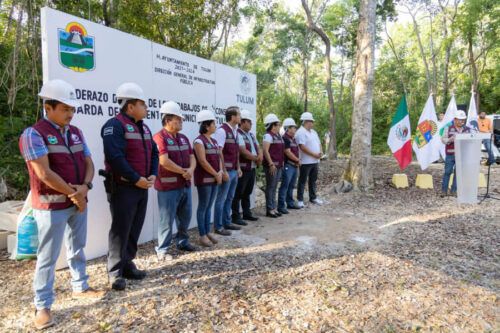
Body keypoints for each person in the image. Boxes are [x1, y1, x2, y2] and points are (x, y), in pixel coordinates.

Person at [19, 79, 104, 330]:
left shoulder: (76, 132)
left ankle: (80, 286)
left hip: (77, 201)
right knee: (48, 257)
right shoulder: (33, 135)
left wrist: (85, 187)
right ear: (48, 107)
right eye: (65, 108)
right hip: (50, 207)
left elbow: (89, 162)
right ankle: (42, 305)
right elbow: (43, 173)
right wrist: (74, 193)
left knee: (77, 246)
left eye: (72, 109)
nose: (70, 114)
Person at [101, 82, 159, 291]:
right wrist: (136, 178)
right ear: (130, 106)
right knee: (121, 228)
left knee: (134, 227)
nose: (146, 108)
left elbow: (154, 152)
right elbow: (115, 157)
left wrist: (152, 174)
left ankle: (127, 263)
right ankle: (114, 272)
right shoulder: (113, 126)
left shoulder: (144, 127)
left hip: (141, 186)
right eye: (143, 104)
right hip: (123, 187)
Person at [153, 101, 197, 259]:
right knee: (167, 219)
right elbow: (163, 160)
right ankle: (162, 249)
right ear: (167, 120)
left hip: (184, 184)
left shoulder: (183, 138)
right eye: (178, 119)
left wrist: (190, 170)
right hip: (168, 187)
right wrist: (182, 171)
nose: (181, 122)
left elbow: (192, 157)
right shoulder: (159, 138)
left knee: (185, 216)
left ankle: (182, 242)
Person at [193, 110, 223, 247]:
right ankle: (202, 235)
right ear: (206, 126)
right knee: (203, 206)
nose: (215, 125)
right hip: (204, 180)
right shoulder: (199, 141)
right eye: (213, 123)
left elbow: (218, 158)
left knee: (209, 206)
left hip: (214, 179)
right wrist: (216, 174)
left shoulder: (214, 141)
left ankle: (207, 231)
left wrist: (221, 171)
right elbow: (203, 161)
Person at [212, 106, 243, 235]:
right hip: (227, 171)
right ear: (233, 117)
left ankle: (227, 222)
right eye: (239, 115)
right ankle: (218, 227)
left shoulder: (235, 131)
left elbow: (236, 152)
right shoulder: (222, 131)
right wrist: (223, 170)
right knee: (221, 199)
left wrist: (239, 167)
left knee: (229, 198)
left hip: (234, 170)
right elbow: (219, 152)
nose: (240, 117)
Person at [231, 109, 262, 224]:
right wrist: (256, 158)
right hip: (243, 169)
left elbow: (259, 147)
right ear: (243, 122)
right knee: (238, 193)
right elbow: (243, 151)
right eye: (249, 121)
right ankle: (235, 216)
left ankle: (246, 213)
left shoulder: (251, 135)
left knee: (247, 192)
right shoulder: (238, 134)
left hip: (252, 168)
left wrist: (259, 156)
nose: (251, 124)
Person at [295, 112, 323, 208]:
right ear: (306, 122)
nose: (312, 123)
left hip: (315, 161)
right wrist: (314, 154)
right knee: (302, 181)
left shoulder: (314, 132)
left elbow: (319, 143)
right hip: (305, 161)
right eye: (311, 121)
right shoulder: (300, 132)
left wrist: (320, 152)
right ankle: (300, 199)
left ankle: (313, 197)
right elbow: (302, 147)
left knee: (313, 180)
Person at [441, 110, 471, 197]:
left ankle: (454, 191)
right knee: (447, 172)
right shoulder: (448, 128)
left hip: (461, 155)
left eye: (463, 120)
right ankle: (444, 190)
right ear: (455, 119)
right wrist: (450, 139)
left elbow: (470, 142)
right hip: (450, 155)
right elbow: (443, 140)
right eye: (460, 119)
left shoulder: (467, 130)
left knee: (458, 173)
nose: (461, 121)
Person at [262, 113, 284, 218]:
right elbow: (265, 151)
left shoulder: (278, 135)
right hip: (271, 166)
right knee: (270, 187)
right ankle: (269, 209)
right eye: (278, 124)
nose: (279, 126)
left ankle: (273, 208)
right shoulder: (268, 135)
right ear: (273, 125)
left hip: (278, 165)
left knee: (274, 187)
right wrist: (271, 163)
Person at [277, 118, 301, 214]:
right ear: (288, 128)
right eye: (293, 127)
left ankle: (290, 203)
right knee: (285, 186)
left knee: (291, 185)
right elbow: (287, 152)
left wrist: (297, 161)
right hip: (288, 165)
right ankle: (281, 206)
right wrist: (297, 160)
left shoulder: (293, 139)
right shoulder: (285, 139)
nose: (295, 129)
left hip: (294, 166)